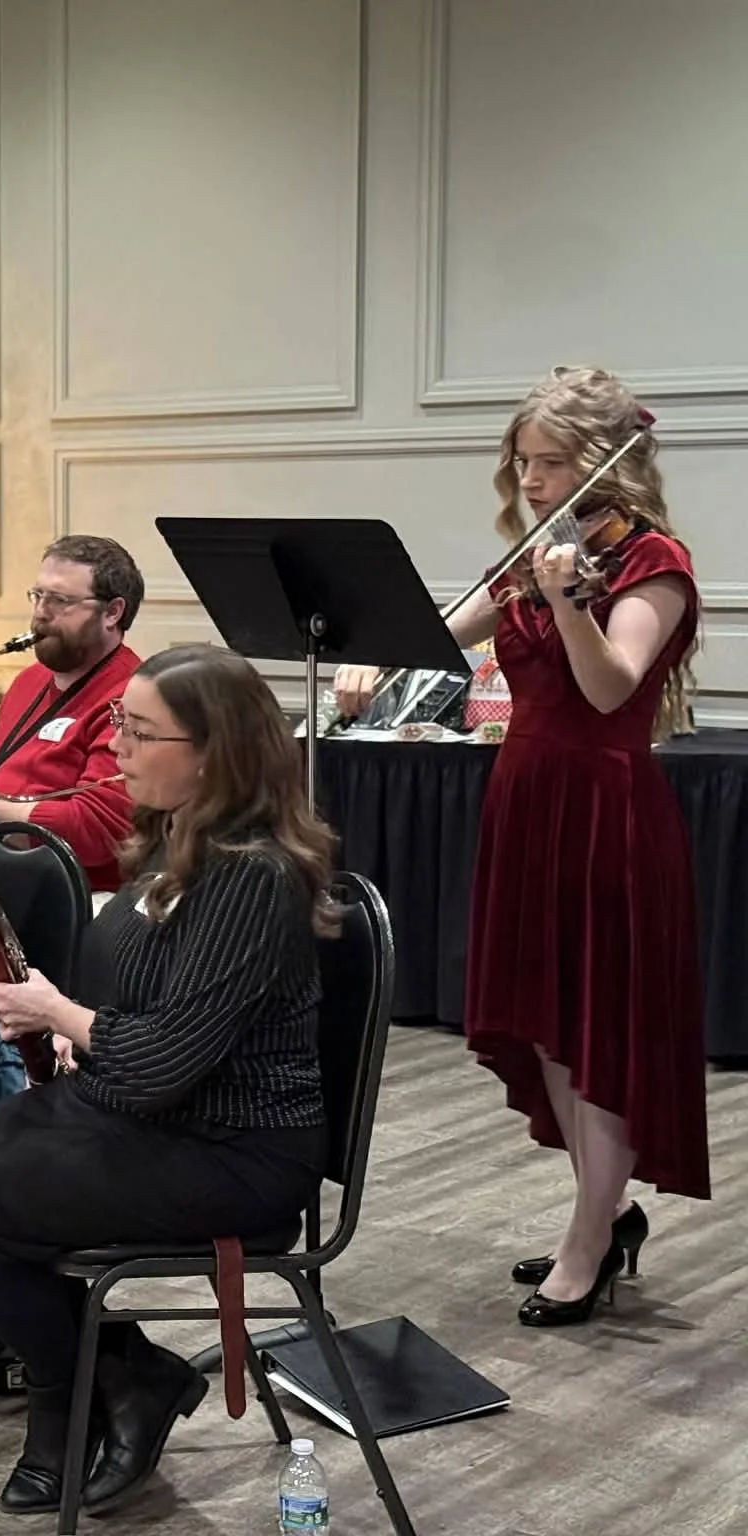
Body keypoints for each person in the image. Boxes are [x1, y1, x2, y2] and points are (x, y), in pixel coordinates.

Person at [0, 644, 338, 1517]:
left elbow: (168, 1060)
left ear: (213, 750)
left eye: (138, 732)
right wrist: (83, 1035)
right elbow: (144, 1010)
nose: (118, 749)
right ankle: (128, 1371)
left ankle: (71, 1399)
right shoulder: (175, 840)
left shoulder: (251, 876)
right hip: (142, 1107)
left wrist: (65, 1017)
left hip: (233, 1147)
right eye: (116, 726)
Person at [336, 364, 705, 1326]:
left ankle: (588, 1242)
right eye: (523, 462)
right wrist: (376, 656)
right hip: (526, 803)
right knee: (547, 1019)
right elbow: (444, 637)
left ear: (602, 461)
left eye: (549, 464)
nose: (533, 482)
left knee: (599, 1028)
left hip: (605, 814)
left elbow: (613, 687)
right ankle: (605, 1210)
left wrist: (571, 604)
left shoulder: (651, 561)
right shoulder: (544, 550)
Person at [0, 533, 146, 1104]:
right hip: (3, 890)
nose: (40, 614)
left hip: (68, 912)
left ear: (113, 612)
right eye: (38, 595)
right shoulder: (26, 684)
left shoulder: (130, 696)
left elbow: (101, 826)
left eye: (60, 602)